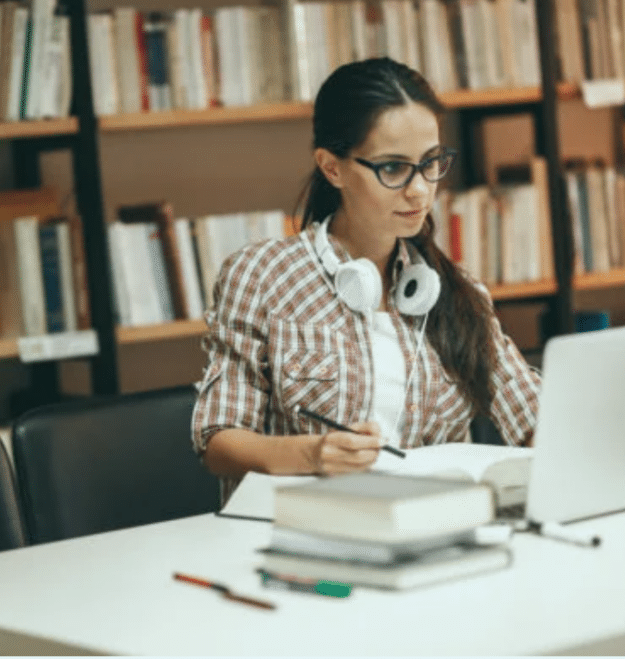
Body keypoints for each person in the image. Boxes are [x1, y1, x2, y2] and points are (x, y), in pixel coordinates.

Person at [191, 58, 540, 504]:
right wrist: (311, 454)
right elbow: (217, 440)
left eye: (431, 162)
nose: (420, 190)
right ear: (332, 168)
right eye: (393, 169)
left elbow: (531, 415)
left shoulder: (456, 291)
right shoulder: (262, 276)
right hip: (306, 538)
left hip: (432, 528)